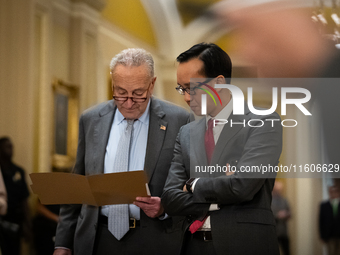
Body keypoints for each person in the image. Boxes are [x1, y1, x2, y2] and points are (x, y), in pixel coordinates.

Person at [53, 48, 190, 255]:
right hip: (96, 238)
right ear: (112, 83)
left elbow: (189, 183)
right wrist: (63, 243)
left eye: (137, 94)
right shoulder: (91, 119)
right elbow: (77, 182)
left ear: (151, 85)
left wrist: (165, 208)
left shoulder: (179, 120)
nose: (127, 102)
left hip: (153, 239)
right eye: (120, 92)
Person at [162, 43, 283, 255]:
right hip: (192, 246)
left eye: (193, 88)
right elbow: (170, 198)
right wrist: (219, 199)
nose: (187, 98)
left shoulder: (263, 121)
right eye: (182, 89)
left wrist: (192, 184)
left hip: (245, 245)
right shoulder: (186, 133)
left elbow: (242, 186)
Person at [0, 137, 31, 255]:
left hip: (15, 220)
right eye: (7, 146)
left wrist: (28, 224)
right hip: (2, 219)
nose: (11, 149)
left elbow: (24, 199)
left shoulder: (18, 171)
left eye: (12, 146)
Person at [319, 185, 340, 255]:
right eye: (331, 192)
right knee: (331, 252)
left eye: (335, 191)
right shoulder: (324, 205)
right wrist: (322, 236)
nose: (333, 193)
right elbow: (320, 221)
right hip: (329, 235)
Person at [271, 180, 291, 255]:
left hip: (284, 232)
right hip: (274, 233)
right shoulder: (270, 201)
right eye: (277, 190)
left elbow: (290, 213)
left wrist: (286, 214)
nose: (279, 192)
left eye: (280, 190)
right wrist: (277, 215)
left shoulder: (284, 200)